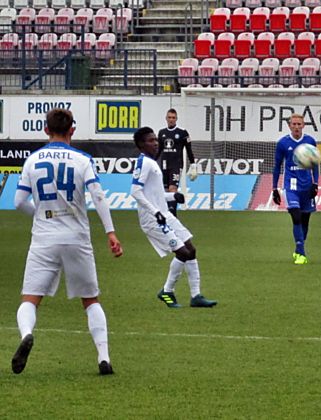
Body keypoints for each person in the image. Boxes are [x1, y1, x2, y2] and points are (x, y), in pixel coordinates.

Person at [12, 108, 123, 376]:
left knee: (30, 298)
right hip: (76, 238)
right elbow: (98, 197)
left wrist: (40, 215)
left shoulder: (32, 160)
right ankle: (103, 357)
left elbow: (18, 202)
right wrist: (110, 232)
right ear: (72, 129)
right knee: (91, 300)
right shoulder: (83, 159)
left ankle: (27, 334)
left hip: (44, 238)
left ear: (45, 130)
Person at [131, 126, 217, 309]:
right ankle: (167, 291)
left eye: (156, 140)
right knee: (183, 253)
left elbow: (154, 194)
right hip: (153, 219)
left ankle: (196, 296)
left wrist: (172, 197)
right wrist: (155, 213)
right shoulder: (143, 163)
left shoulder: (152, 162)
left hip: (165, 215)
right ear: (141, 144)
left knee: (191, 249)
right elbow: (135, 192)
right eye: (150, 141)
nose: (155, 143)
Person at [272, 113, 319, 265]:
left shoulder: (310, 141)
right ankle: (302, 255)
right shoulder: (283, 143)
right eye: (294, 124)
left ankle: (298, 249)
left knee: (305, 221)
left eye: (299, 124)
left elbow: (315, 164)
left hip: (306, 186)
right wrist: (274, 188)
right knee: (296, 216)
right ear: (290, 125)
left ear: (304, 125)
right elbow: (277, 166)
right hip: (290, 186)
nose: (297, 127)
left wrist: (315, 184)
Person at [156, 108, 198, 217]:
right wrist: (152, 162)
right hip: (164, 164)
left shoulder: (182, 132)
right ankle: (167, 214)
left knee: (172, 189)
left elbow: (189, 150)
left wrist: (193, 165)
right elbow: (158, 151)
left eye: (173, 118)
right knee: (165, 191)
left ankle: (173, 216)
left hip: (176, 164)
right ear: (166, 118)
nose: (171, 120)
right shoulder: (162, 132)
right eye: (169, 117)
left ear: (176, 119)